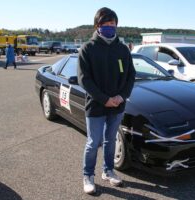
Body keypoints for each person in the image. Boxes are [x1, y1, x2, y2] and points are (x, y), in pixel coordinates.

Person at [77, 7, 136, 194]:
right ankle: (88, 175)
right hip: (95, 105)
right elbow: (84, 79)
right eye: (106, 24)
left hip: (118, 105)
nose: (110, 27)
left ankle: (108, 171)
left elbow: (131, 75)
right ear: (97, 25)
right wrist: (104, 99)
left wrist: (121, 96)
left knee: (110, 140)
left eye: (113, 24)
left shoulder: (122, 49)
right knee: (94, 142)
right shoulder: (88, 49)